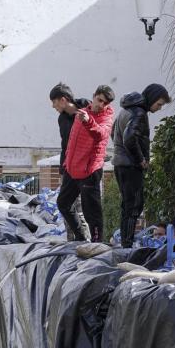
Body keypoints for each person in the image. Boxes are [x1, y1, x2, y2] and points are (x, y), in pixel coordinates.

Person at [111, 83, 171, 247]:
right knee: (134, 205)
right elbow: (129, 138)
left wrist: (121, 152)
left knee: (127, 205)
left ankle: (125, 241)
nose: (159, 108)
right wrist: (140, 159)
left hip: (120, 163)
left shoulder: (127, 109)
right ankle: (127, 243)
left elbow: (113, 132)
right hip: (130, 166)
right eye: (158, 104)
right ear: (151, 98)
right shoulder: (139, 113)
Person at [57, 85, 115, 242]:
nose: (101, 105)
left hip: (89, 171)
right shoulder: (81, 113)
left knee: (92, 212)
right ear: (94, 96)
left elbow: (100, 135)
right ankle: (81, 237)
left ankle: (97, 243)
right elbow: (71, 141)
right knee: (63, 203)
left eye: (105, 103)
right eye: (99, 100)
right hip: (72, 168)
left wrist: (89, 121)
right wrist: (66, 162)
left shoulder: (106, 118)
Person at [49, 82, 90, 240]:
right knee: (66, 204)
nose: (53, 106)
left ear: (63, 100)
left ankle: (86, 240)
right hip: (68, 167)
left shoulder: (86, 111)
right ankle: (72, 241)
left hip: (84, 168)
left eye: (54, 101)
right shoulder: (62, 119)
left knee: (81, 207)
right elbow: (65, 145)